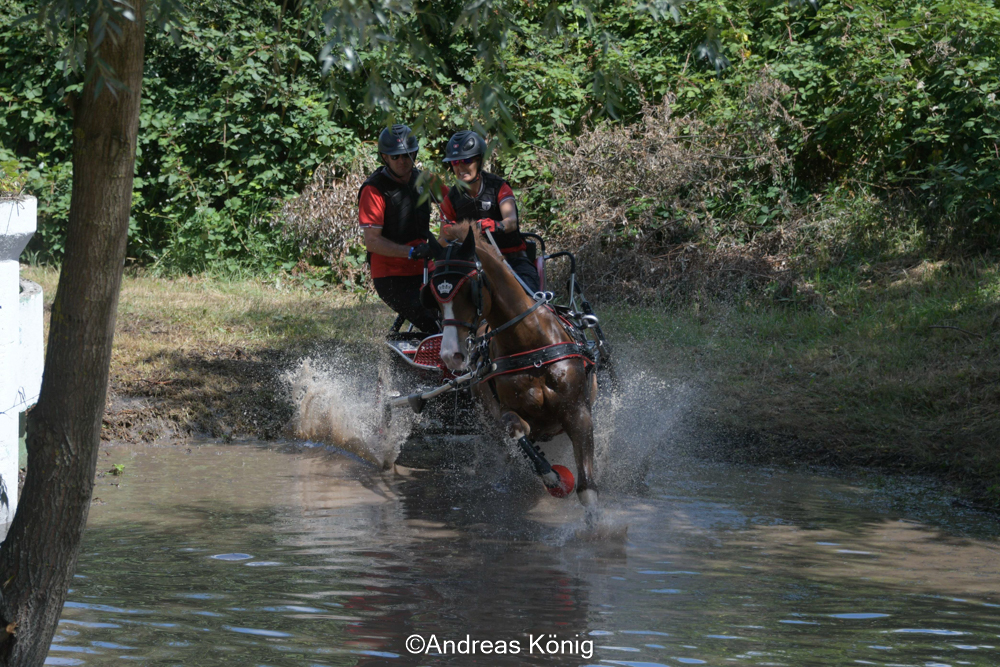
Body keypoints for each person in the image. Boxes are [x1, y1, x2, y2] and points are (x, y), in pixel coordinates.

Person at [358, 124, 440, 333]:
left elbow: (453, 205)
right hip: (391, 275)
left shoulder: (424, 180)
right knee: (432, 321)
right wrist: (411, 252)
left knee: (457, 309)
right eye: (395, 157)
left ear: (414, 153)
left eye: (406, 155)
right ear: (385, 157)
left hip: (425, 269)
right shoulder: (374, 190)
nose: (402, 161)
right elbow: (372, 241)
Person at [440, 130, 541, 294]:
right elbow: (443, 238)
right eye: (455, 162)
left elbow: (511, 221)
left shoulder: (498, 187)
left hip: (513, 260)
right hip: (475, 266)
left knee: (530, 296)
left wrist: (496, 225)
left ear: (479, 160)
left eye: (466, 160)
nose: (460, 167)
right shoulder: (450, 199)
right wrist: (451, 235)